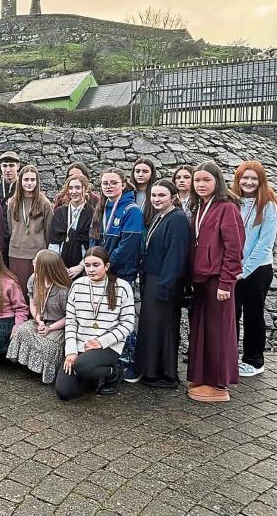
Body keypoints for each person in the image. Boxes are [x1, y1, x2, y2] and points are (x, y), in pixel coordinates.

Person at [187, 161, 245, 402]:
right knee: (202, 331)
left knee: (219, 332)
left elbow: (234, 248)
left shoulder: (227, 208)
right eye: (197, 180)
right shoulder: (199, 206)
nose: (201, 184)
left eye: (206, 180)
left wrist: (226, 282)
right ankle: (204, 376)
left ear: (217, 182)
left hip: (217, 280)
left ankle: (219, 383)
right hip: (201, 279)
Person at [55, 247, 135, 401]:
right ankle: (91, 377)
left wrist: (100, 341)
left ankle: (114, 372)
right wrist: (71, 352)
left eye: (96, 265)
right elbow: (71, 322)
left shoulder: (122, 287)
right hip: (81, 345)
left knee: (82, 366)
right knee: (64, 392)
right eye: (87, 265)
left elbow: (127, 323)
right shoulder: (77, 285)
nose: (91, 269)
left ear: (106, 266)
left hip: (108, 345)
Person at [133, 179, 191, 388]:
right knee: (152, 327)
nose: (156, 199)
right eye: (154, 196)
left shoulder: (177, 220)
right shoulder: (160, 215)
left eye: (161, 196)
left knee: (163, 328)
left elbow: (176, 255)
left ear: (173, 197)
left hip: (164, 281)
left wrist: (166, 285)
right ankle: (150, 370)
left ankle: (165, 374)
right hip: (153, 279)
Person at [89, 168, 143, 381]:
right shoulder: (102, 207)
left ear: (123, 184)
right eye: (104, 183)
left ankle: (129, 362)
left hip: (121, 273)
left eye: (113, 183)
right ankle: (109, 358)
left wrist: (105, 265)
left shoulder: (131, 210)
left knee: (123, 318)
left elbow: (128, 245)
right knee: (105, 318)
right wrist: (93, 261)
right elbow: (94, 237)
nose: (108, 187)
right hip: (103, 271)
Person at [231, 161, 277, 378]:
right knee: (231, 315)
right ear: (238, 179)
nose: (249, 182)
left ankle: (254, 360)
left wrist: (245, 269)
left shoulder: (268, 205)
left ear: (261, 181)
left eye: (254, 179)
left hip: (257, 270)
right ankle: (228, 356)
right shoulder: (232, 202)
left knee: (253, 315)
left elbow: (265, 244)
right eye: (245, 178)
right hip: (233, 268)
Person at [7, 250, 70, 384]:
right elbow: (33, 304)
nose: (33, 263)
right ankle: (28, 365)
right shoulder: (33, 279)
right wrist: (38, 320)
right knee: (22, 330)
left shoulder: (63, 289)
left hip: (58, 325)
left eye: (36, 262)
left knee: (49, 346)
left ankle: (45, 371)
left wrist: (50, 328)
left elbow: (69, 317)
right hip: (40, 320)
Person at [7, 165, 53, 298]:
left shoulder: (44, 202)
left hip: (36, 253)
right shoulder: (13, 202)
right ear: (20, 181)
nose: (29, 183)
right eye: (26, 179)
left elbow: (48, 230)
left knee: (35, 289)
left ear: (37, 182)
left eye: (32, 180)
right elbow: (10, 227)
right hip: (16, 252)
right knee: (17, 288)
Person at [49, 174, 96, 277]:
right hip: (60, 267)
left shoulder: (93, 214)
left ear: (85, 189)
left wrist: (81, 266)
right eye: (70, 188)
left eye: (78, 187)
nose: (74, 191)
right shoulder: (59, 213)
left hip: (85, 268)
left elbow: (94, 244)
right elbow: (54, 242)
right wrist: (59, 266)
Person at [0, 150, 20, 264]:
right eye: (4, 166)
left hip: (18, 241)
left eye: (11, 165)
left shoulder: (24, 189)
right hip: (0, 240)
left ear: (18, 166)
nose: (8, 170)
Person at [131, 157, 159, 225]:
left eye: (145, 171)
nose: (140, 174)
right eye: (137, 171)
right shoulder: (126, 194)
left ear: (152, 173)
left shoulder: (157, 195)